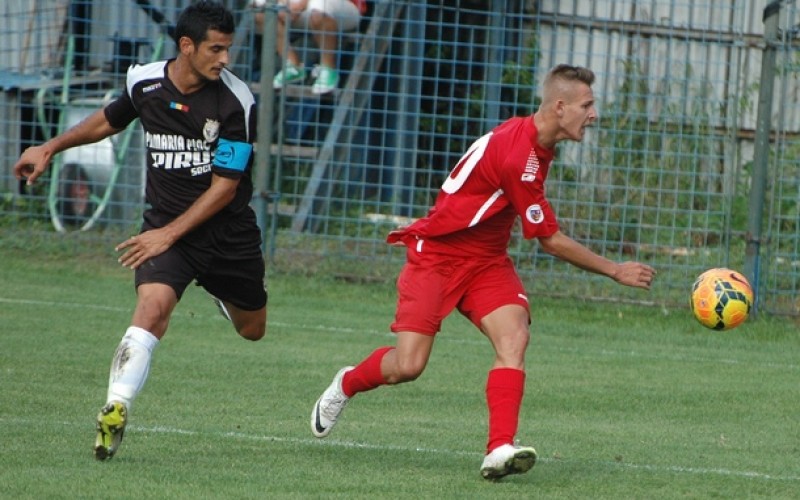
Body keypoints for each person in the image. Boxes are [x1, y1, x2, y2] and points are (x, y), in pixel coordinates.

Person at [309, 64, 657, 480]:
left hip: (486, 261)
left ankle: (499, 450)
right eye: (588, 105)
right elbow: (548, 238)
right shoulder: (520, 158)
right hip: (437, 257)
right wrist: (614, 270)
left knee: (514, 337)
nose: (594, 114)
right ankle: (348, 382)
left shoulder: (534, 141)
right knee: (408, 366)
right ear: (560, 107)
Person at [13, 1, 268, 461]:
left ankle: (222, 296)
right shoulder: (144, 82)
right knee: (152, 309)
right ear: (186, 46)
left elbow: (225, 189)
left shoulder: (236, 101)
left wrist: (167, 235)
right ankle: (115, 409)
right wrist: (50, 147)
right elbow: (108, 120)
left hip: (227, 233)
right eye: (215, 49)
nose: (224, 59)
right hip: (165, 231)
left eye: (228, 49)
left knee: (253, 330)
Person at [252, 0, 366, 94]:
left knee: (319, 5)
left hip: (344, 6)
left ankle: (328, 70)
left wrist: (300, 4)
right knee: (261, 11)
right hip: (297, 9)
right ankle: (293, 65)